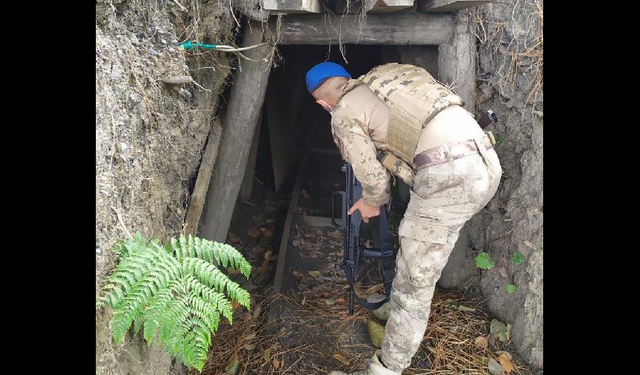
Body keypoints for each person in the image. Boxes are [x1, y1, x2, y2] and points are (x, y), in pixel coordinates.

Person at [305, 62, 503, 375]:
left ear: (322, 104)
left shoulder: (342, 111)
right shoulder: (390, 77)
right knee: (418, 254)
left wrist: (372, 201)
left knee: (415, 283)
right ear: (346, 77)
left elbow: (371, 176)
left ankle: (387, 367)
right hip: (486, 160)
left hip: (447, 174)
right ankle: (398, 312)